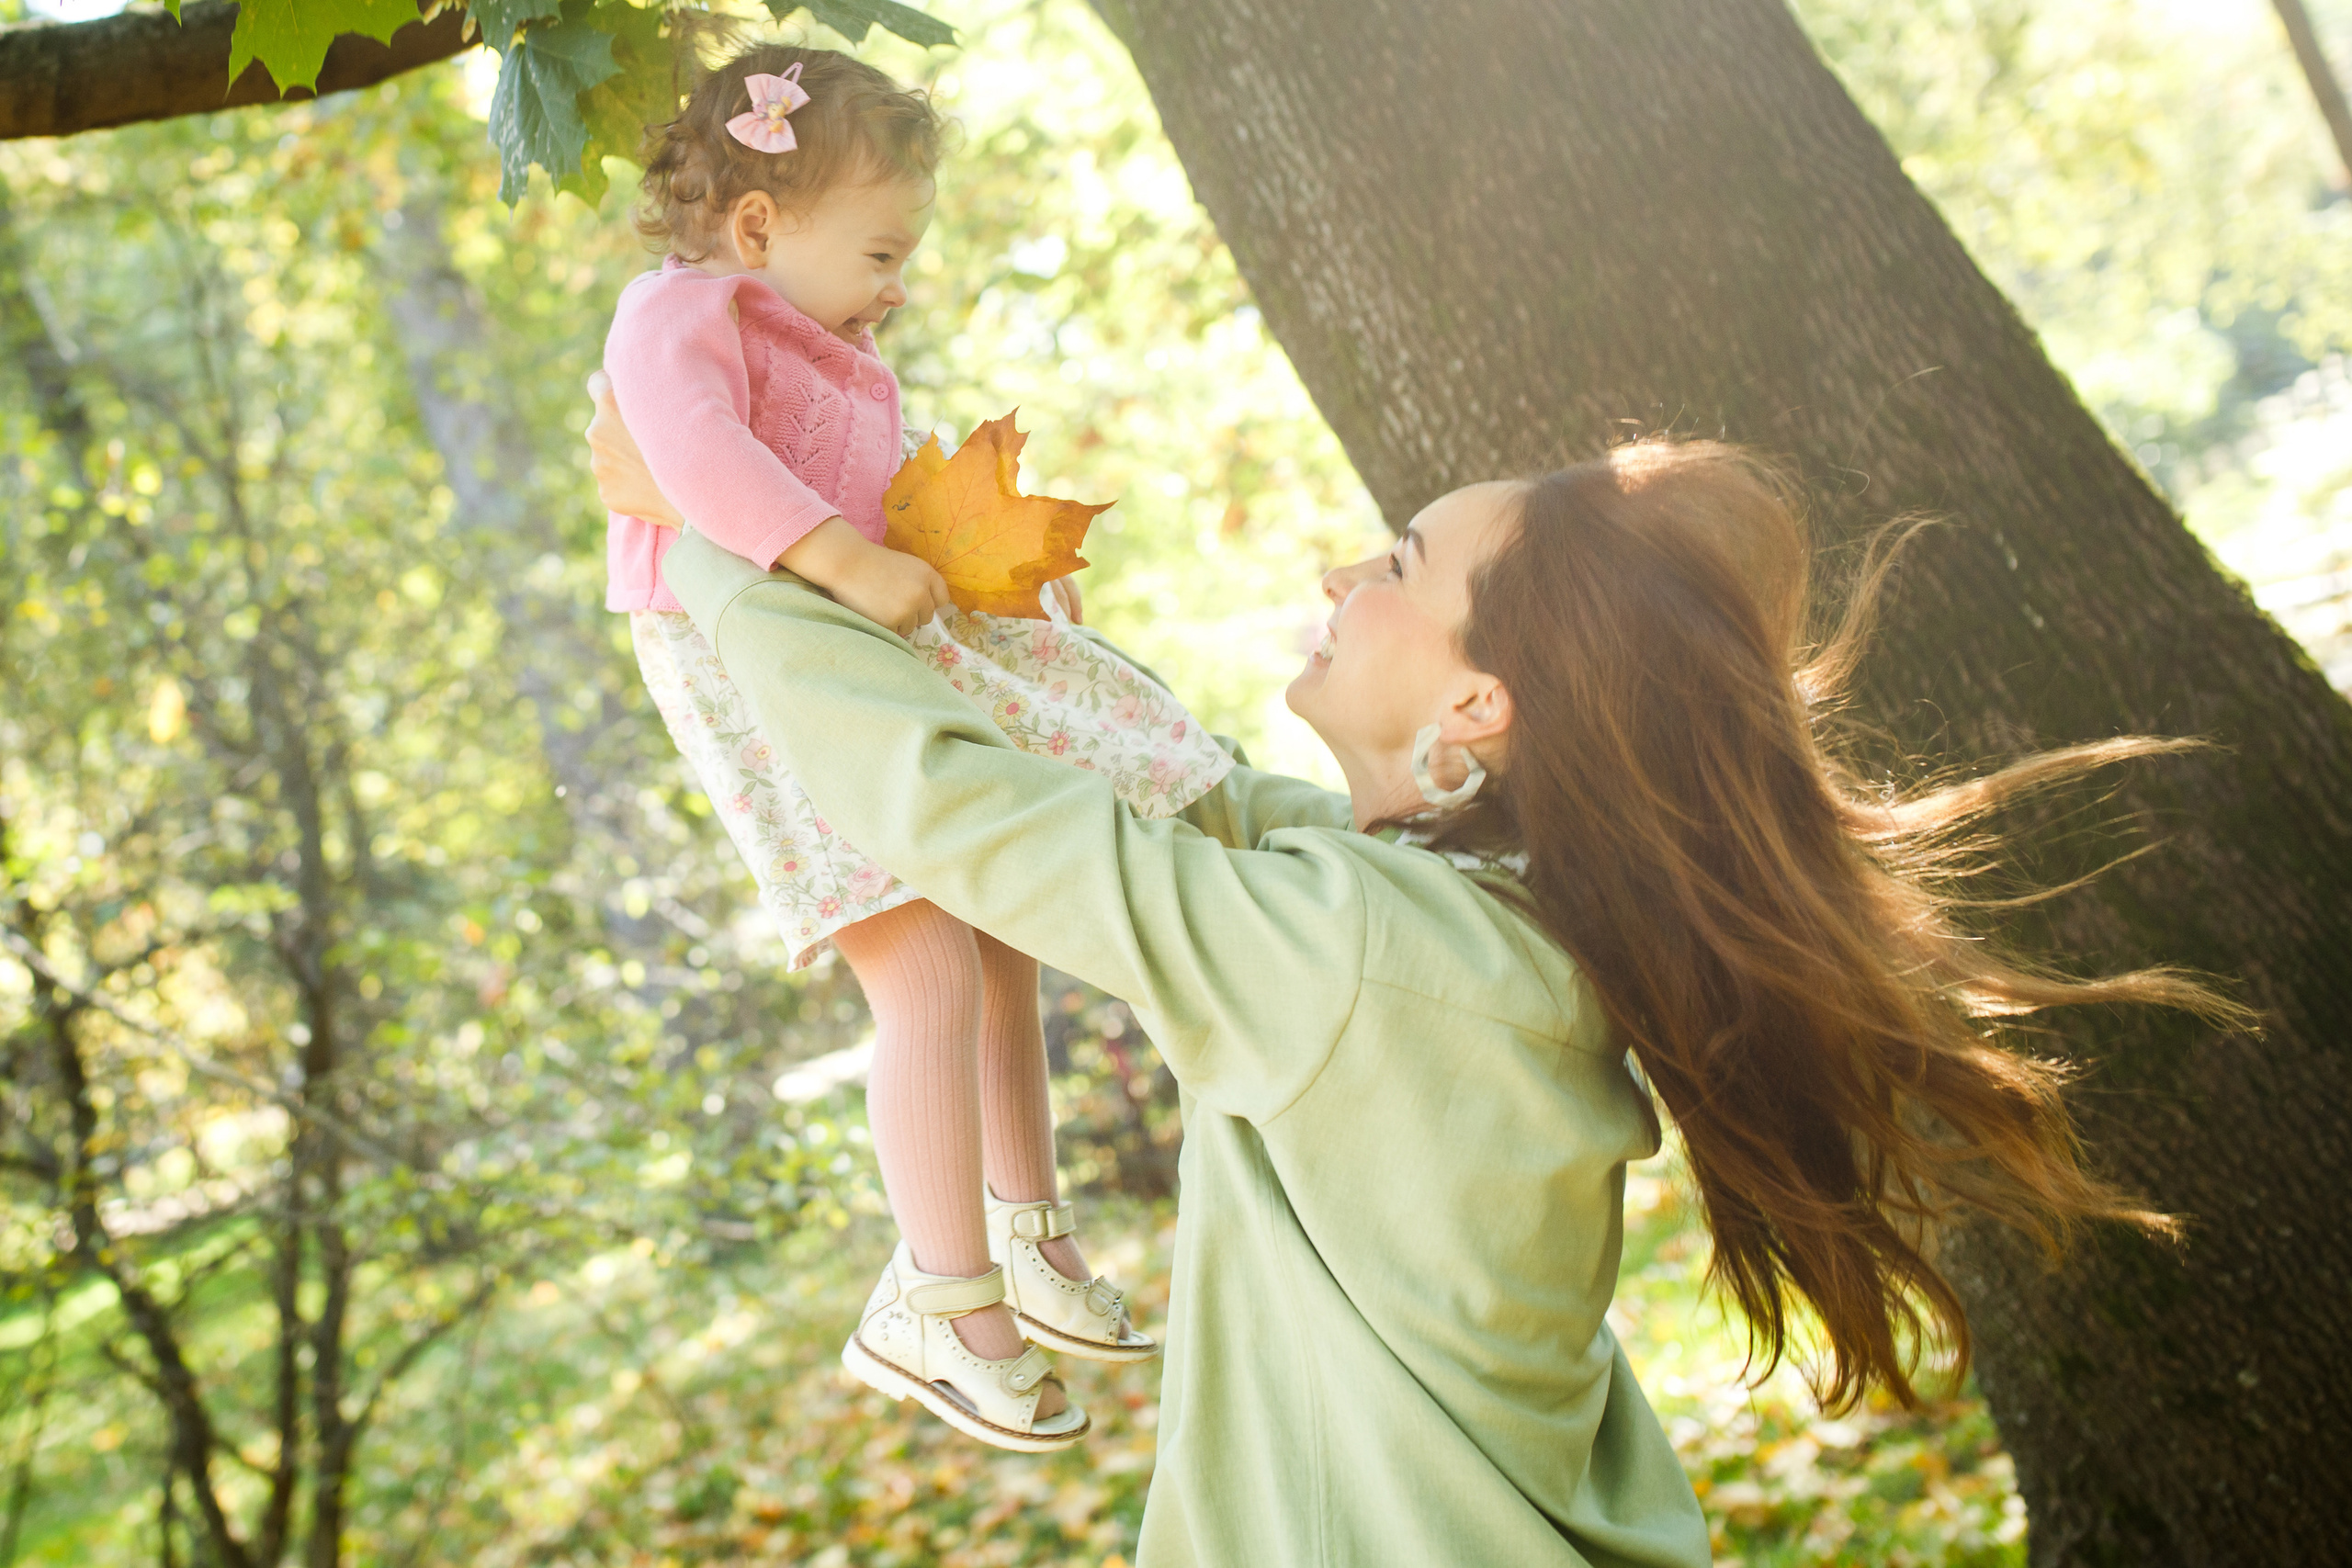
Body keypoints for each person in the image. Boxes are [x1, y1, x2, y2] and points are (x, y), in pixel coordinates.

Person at [588, 405, 2235, 1563]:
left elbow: (953, 813)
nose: (1337, 582)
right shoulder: (1451, 910)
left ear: (1480, 708)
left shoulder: (1371, 956)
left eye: (1394, 565)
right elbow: (1182, 788)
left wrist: (718, 547)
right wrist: (908, 577)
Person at [598, 41, 1234, 1451]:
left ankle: (1030, 1238)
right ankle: (940, 1304)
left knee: (997, 948)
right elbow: (690, 452)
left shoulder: (839, 351)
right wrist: (833, 552)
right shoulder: (678, 313)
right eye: (883, 249)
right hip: (759, 672)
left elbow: (884, 498)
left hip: (854, 650)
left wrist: (983, 565)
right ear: (760, 225)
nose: (901, 282)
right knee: (930, 974)